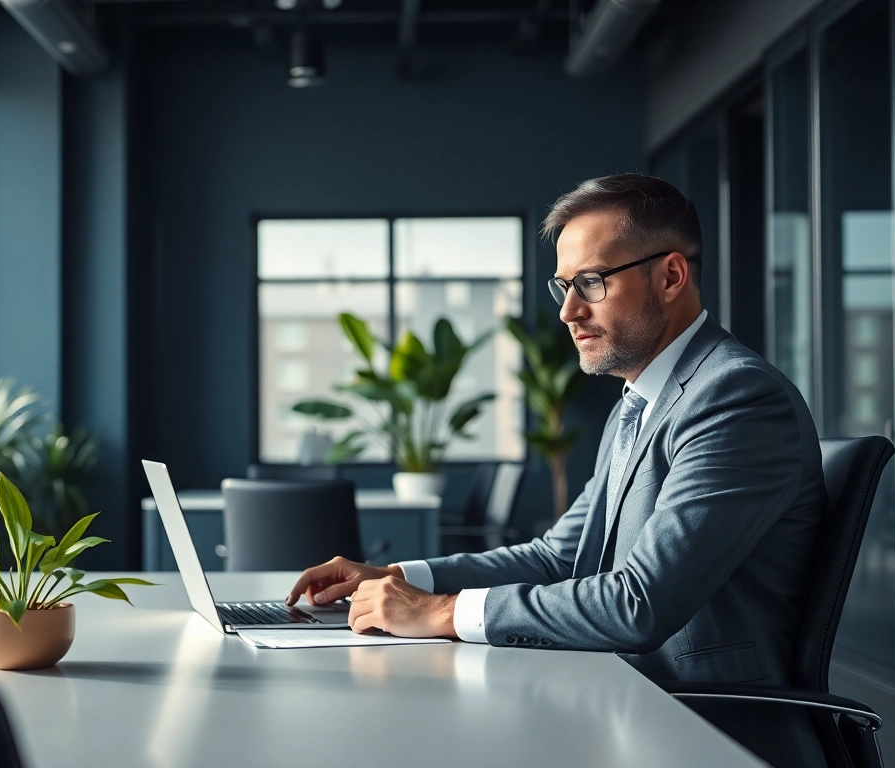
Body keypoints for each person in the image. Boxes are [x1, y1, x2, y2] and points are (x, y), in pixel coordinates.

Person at [287, 174, 828, 768]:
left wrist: (439, 613)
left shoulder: (735, 397)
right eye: (565, 286)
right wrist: (399, 574)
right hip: (617, 696)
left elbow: (638, 604)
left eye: (592, 283)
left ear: (671, 276)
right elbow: (559, 557)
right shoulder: (644, 399)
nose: (570, 311)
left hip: (704, 725)